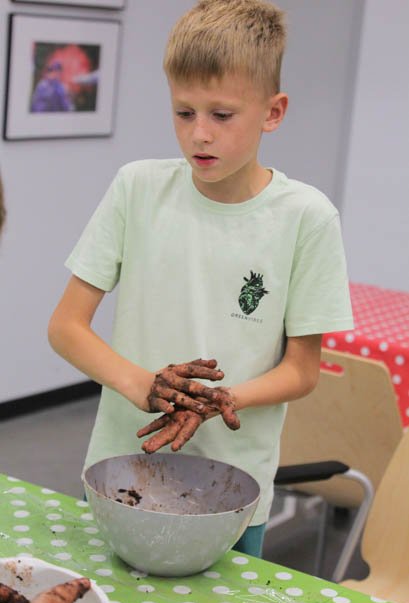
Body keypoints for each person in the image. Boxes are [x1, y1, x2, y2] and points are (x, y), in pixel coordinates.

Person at [48, 0, 353, 558]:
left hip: (231, 489)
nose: (199, 135)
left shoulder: (306, 218)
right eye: (184, 113)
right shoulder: (137, 189)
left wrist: (220, 398)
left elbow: (301, 370)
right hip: (120, 470)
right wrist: (143, 385)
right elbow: (66, 328)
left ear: (273, 112)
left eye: (222, 115)